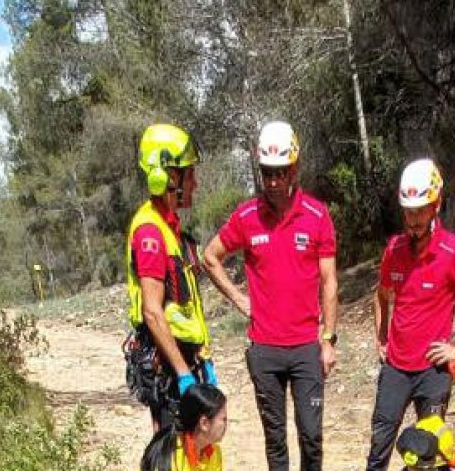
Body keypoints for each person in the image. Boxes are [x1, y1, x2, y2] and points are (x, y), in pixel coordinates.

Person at [202, 120, 338, 471]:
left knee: (312, 436)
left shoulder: (317, 215)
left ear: (294, 169)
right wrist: (239, 299)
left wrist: (328, 339)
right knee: (274, 440)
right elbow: (210, 256)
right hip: (264, 349)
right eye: (267, 173)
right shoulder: (246, 216)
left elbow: (329, 280)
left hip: (307, 346)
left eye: (280, 173)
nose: (274, 182)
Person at [366, 158, 455, 471]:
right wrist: (381, 339)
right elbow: (381, 296)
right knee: (378, 449)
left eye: (419, 211)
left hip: (433, 372)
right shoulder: (394, 249)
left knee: (431, 453)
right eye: (407, 212)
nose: (412, 220)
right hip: (395, 369)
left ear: (436, 205)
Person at [125, 123, 214, 431]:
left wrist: (203, 357)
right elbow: (153, 311)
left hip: (185, 357)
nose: (195, 184)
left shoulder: (171, 228)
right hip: (169, 365)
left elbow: (186, 305)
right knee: (170, 453)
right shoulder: (150, 232)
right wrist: (182, 374)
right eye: (190, 174)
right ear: (170, 177)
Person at [140, 383, 228, 471]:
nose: (226, 424)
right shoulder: (171, 461)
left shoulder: (214, 452)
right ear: (204, 423)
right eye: (223, 419)